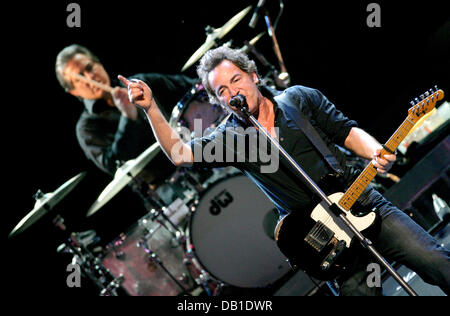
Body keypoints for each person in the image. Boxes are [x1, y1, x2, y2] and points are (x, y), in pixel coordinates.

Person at [118, 46, 450, 296]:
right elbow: (180, 153)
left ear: (253, 76)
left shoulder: (299, 100)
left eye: (236, 79)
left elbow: (346, 131)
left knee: (438, 263)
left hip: (365, 205)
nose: (233, 91)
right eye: (222, 91)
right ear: (217, 102)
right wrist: (150, 109)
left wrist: (375, 150)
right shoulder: (231, 139)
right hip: (325, 241)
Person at [55, 44, 197, 185]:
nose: (90, 77)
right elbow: (115, 165)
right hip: (169, 186)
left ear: (98, 63)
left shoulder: (140, 84)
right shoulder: (87, 128)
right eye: (80, 77)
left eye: (89, 68)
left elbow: (194, 88)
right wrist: (128, 117)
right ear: (74, 91)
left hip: (198, 154)